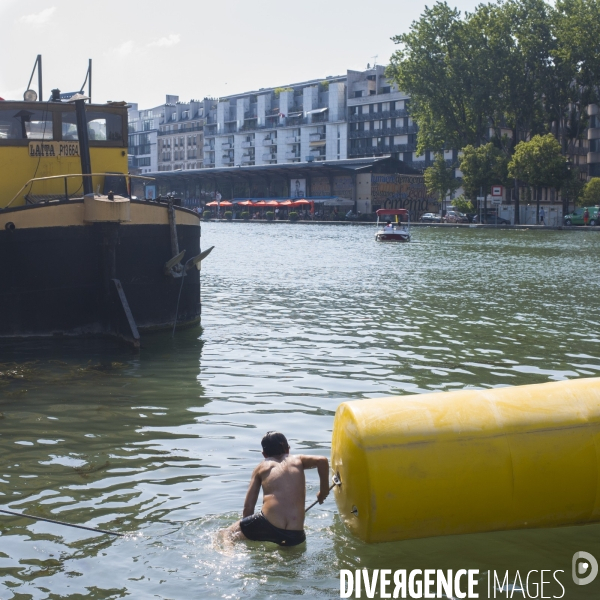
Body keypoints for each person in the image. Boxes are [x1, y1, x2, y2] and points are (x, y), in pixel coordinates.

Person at [225, 432, 330, 547]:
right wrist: (323, 492)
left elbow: (248, 507)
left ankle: (227, 556)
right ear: (288, 450)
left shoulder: (261, 467)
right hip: (296, 534)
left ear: (264, 454)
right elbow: (322, 460)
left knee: (226, 534)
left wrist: (249, 528)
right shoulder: (297, 460)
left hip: (268, 524)